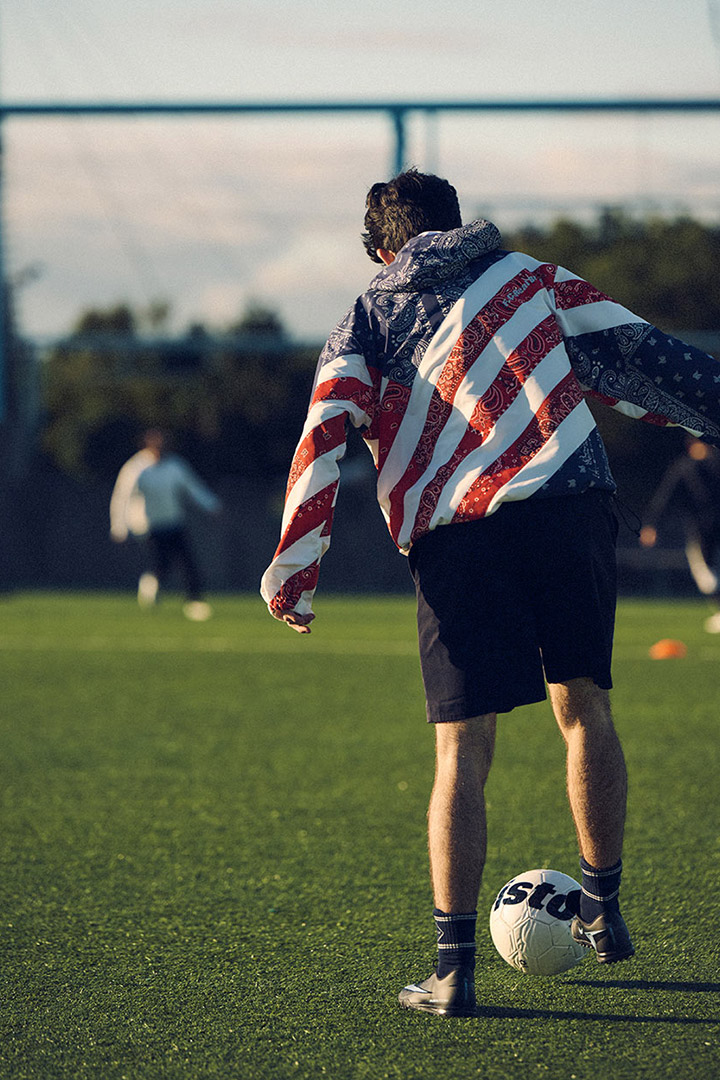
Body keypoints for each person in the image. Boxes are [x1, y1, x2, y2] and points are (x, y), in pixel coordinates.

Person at [260, 170, 720, 1017]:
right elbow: (643, 353)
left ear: (381, 249)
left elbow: (324, 429)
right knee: (585, 708)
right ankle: (603, 913)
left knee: (462, 750)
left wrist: (295, 564)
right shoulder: (530, 278)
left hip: (457, 531)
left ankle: (454, 972)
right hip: (571, 502)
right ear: (457, 223)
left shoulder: (369, 315)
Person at [110, 429, 221, 621]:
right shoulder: (135, 468)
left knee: (188, 563)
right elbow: (122, 497)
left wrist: (212, 505)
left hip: (173, 522)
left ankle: (194, 601)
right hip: (147, 525)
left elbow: (193, 487)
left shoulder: (175, 466)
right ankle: (150, 584)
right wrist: (119, 527)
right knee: (162, 564)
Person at [640, 438, 720, 632]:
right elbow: (666, 497)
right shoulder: (684, 467)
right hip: (699, 530)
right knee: (705, 573)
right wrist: (652, 525)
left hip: (714, 526)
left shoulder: (715, 465)